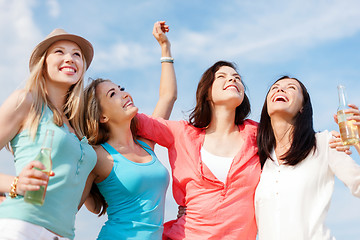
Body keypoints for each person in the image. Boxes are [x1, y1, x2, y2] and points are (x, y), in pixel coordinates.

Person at [135, 61, 261, 239]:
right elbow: (135, 121)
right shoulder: (182, 133)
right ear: (207, 92)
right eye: (222, 76)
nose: (232, 79)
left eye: (237, 78)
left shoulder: (258, 135)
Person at [82, 21, 177, 239]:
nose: (124, 94)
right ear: (102, 116)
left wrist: (165, 48)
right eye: (112, 95)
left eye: (121, 88)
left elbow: (168, 97)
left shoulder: (146, 143)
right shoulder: (98, 155)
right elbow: (84, 206)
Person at [0, 29, 96, 240]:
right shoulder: (26, 101)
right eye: (59, 52)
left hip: (63, 235)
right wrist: (14, 184)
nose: (69, 58)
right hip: (21, 226)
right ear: (43, 63)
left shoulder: (79, 128)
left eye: (76, 54)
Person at [255, 76, 360, 240]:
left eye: (291, 87)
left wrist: (359, 143)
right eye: (275, 87)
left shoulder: (324, 143)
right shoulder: (261, 160)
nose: (280, 89)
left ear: (302, 107)